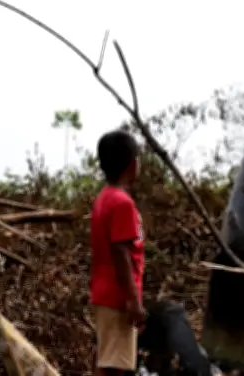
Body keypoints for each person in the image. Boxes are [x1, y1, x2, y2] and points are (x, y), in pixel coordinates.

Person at [90, 130, 146, 376]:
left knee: (110, 363)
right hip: (118, 297)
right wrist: (133, 302)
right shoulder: (122, 204)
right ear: (133, 164)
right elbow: (121, 255)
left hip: (106, 293)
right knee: (116, 367)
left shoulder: (104, 198)